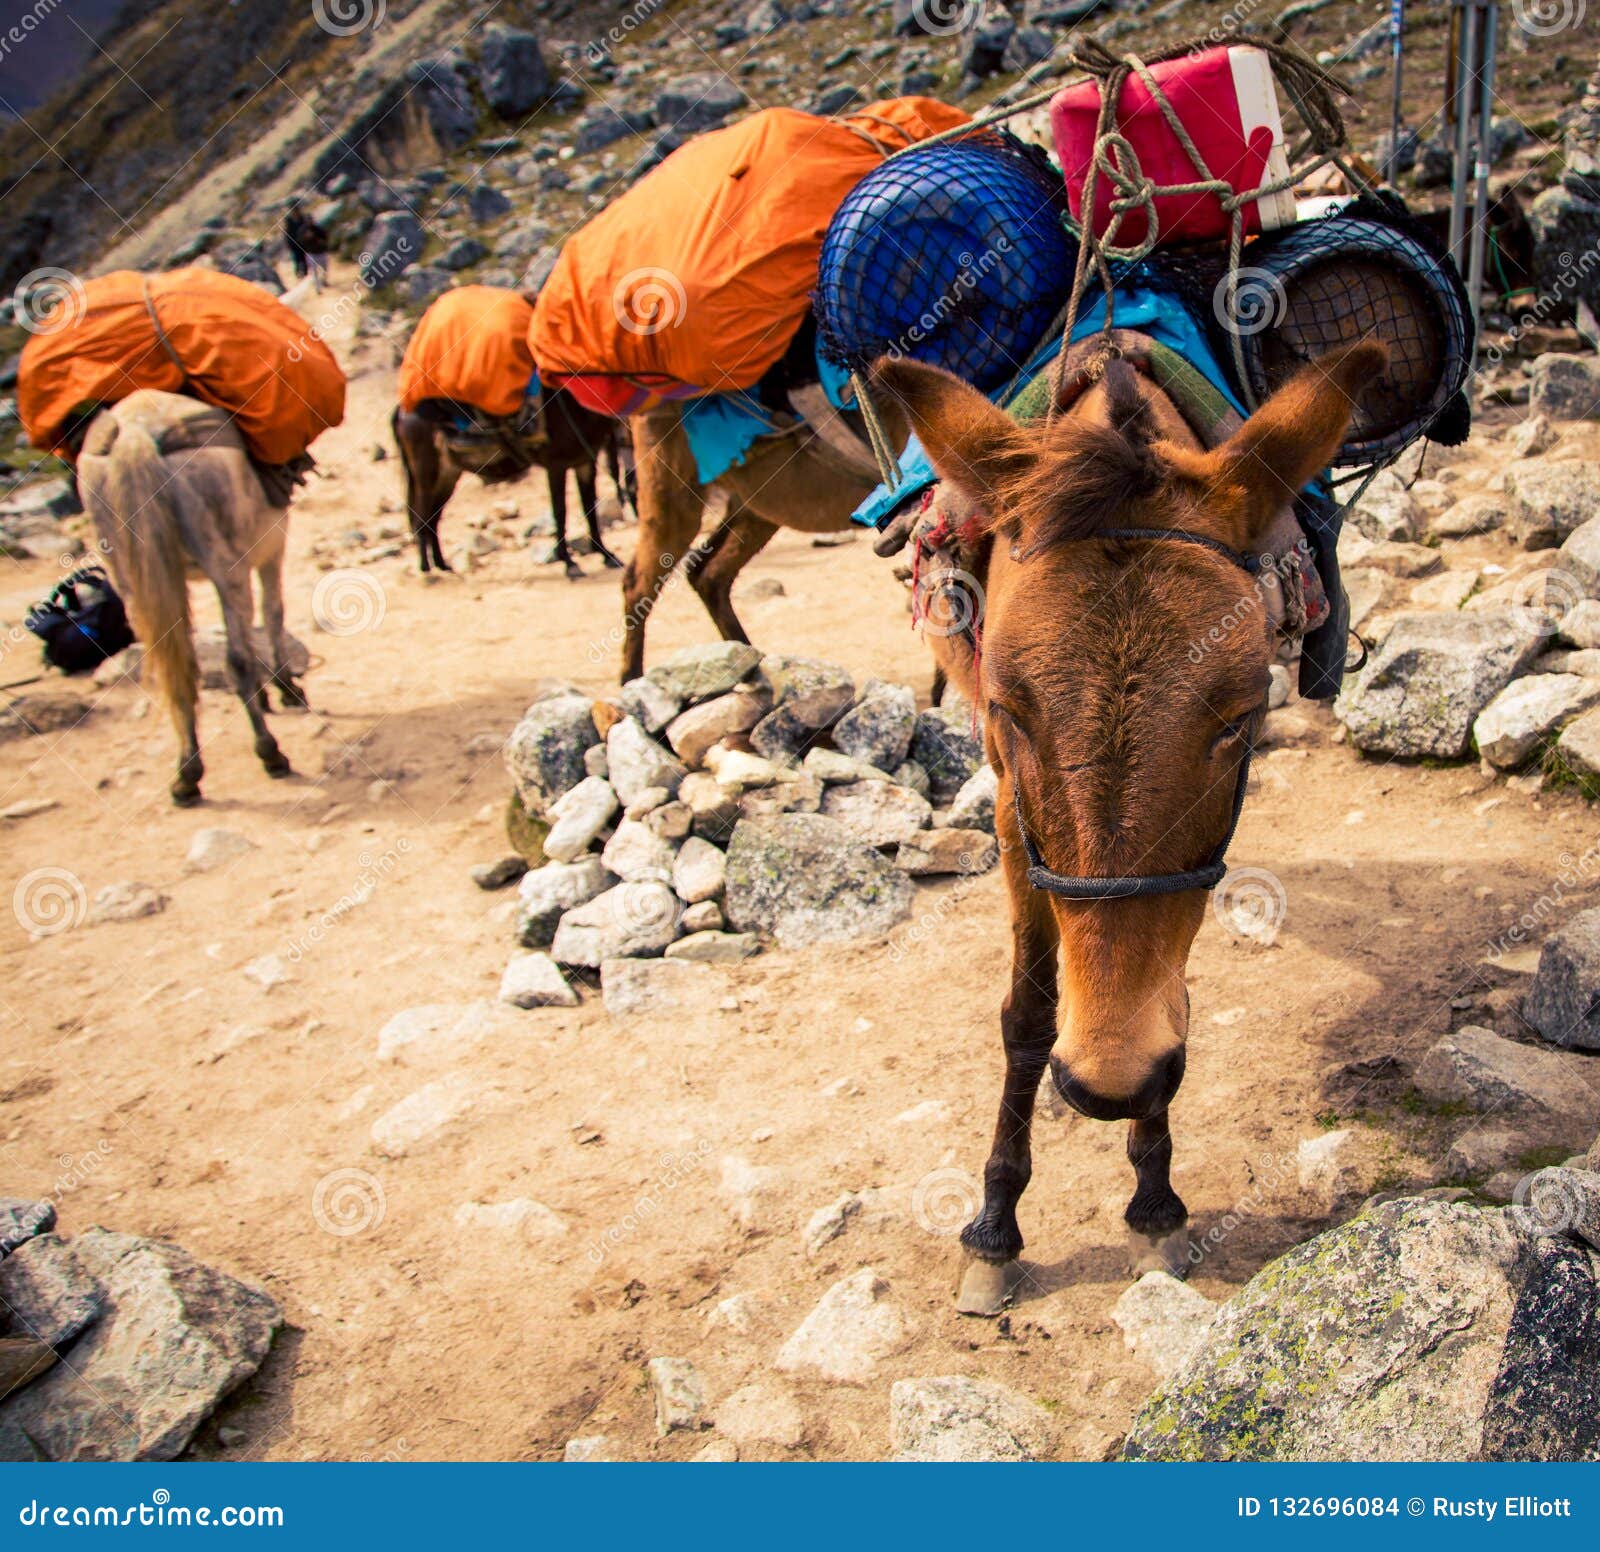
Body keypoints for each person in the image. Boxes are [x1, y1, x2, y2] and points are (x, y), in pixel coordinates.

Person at [283, 202, 330, 292]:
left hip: (310, 249)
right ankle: (310, 283)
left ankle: (320, 281)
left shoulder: (313, 226)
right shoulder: (290, 221)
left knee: (320, 267)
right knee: (299, 261)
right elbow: (289, 233)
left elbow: (325, 236)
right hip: (298, 246)